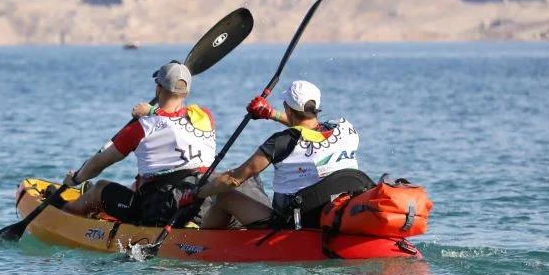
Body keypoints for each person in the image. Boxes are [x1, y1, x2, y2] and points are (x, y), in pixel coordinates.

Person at [60, 62, 216, 226]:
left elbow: (96, 164)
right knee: (140, 183)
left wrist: (75, 179)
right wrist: (152, 111)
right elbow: (173, 121)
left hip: (160, 211)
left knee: (99, 188)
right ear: (186, 92)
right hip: (202, 204)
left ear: (158, 88)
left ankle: (66, 214)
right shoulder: (205, 116)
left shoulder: (142, 128)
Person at [190, 80, 361, 229]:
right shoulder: (345, 129)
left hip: (293, 223)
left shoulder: (280, 143)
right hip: (337, 211)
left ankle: (202, 245)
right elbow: (310, 130)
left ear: (288, 108)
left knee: (224, 197)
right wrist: (271, 114)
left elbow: (234, 179)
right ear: (316, 107)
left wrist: (198, 193)